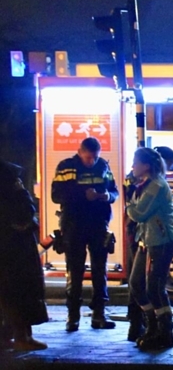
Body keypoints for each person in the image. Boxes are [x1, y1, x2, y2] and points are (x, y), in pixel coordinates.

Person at [51, 137, 120, 331]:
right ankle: (73, 316)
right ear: (80, 152)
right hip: (74, 224)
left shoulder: (103, 166)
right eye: (89, 157)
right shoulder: (66, 167)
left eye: (95, 157)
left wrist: (108, 196)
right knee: (75, 270)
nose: (92, 161)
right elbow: (56, 195)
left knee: (100, 270)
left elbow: (114, 191)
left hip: (99, 224)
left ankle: (99, 314)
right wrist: (83, 196)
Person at [127, 148, 173, 351]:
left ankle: (165, 332)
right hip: (147, 239)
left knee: (155, 287)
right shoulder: (145, 184)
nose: (132, 166)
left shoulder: (156, 186)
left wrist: (128, 205)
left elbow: (139, 213)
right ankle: (152, 326)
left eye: (135, 162)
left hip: (162, 240)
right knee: (136, 284)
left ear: (146, 166)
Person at [0, 160, 49, 351]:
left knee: (7, 294)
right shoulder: (12, 188)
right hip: (15, 248)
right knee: (18, 292)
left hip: (7, 246)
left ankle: (8, 336)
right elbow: (25, 212)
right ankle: (22, 337)